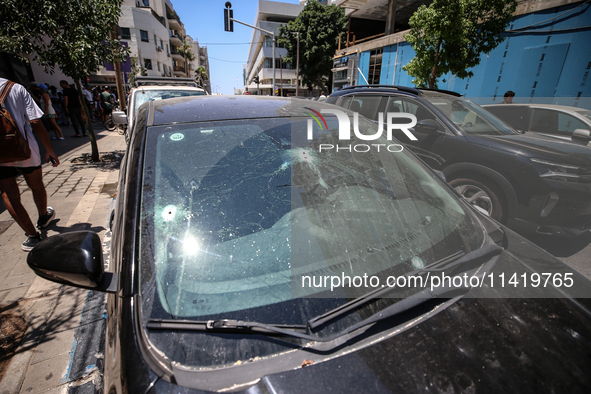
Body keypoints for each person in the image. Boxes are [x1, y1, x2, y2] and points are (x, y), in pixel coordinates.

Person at [0, 77, 60, 251]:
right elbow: (35, 121)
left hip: (0, 155)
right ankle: (43, 218)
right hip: (26, 149)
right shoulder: (16, 88)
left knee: (9, 194)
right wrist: (49, 149)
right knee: (36, 185)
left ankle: (32, 236)